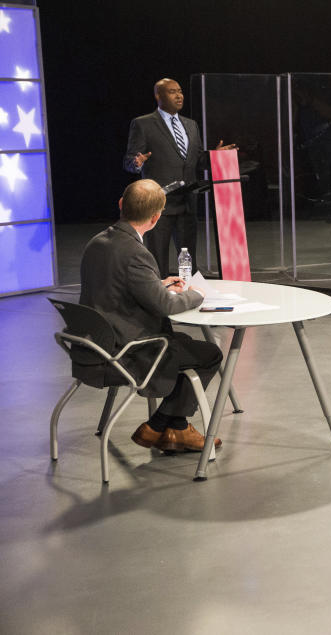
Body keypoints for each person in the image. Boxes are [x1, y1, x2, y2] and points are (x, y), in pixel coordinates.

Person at [79, 179, 224, 452]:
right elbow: (166, 307)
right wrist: (197, 294)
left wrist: (158, 284)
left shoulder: (97, 242)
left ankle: (171, 428)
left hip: (92, 344)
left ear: (121, 204)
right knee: (208, 354)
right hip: (127, 350)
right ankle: (164, 426)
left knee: (184, 347)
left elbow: (116, 286)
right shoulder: (136, 252)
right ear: (157, 217)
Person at [123, 78, 235, 275]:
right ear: (158, 96)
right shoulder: (143, 124)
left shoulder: (191, 125)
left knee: (188, 260)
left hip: (187, 202)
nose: (179, 95)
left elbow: (197, 160)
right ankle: (158, 297)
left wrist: (214, 156)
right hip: (159, 205)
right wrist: (137, 162)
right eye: (172, 91)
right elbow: (130, 161)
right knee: (157, 261)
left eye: (180, 91)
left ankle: (190, 296)